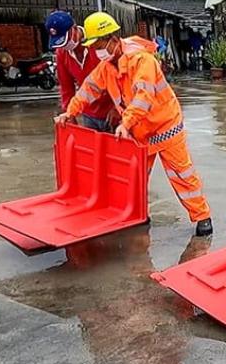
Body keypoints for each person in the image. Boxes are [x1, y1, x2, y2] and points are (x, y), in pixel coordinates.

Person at [56, 12, 213, 237]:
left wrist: (126, 123)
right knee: (134, 178)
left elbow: (143, 97)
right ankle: (138, 215)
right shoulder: (106, 66)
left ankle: (202, 217)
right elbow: (88, 90)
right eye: (93, 46)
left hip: (165, 127)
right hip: (139, 131)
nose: (95, 51)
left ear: (112, 39)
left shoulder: (142, 60)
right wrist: (69, 112)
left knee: (182, 174)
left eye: (98, 45)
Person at [45, 10, 116, 132]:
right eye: (61, 43)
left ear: (74, 28)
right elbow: (66, 87)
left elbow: (118, 79)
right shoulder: (62, 53)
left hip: (112, 111)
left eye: (66, 40)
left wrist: (118, 108)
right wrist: (69, 113)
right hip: (88, 112)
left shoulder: (98, 45)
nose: (65, 45)